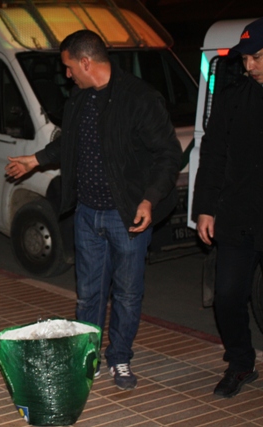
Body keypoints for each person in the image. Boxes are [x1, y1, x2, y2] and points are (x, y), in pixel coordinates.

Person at [5, 30, 181, 391]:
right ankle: (87, 358)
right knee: (88, 293)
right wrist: (34, 160)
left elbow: (168, 155)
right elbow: (68, 145)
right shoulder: (79, 100)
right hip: (87, 213)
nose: (67, 75)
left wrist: (149, 199)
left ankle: (120, 358)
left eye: (69, 67)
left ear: (86, 62)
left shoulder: (140, 98)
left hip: (127, 214)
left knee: (128, 293)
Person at [192, 18, 263, 399]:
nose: (249, 66)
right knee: (228, 295)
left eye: (257, 58)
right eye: (246, 58)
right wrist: (205, 208)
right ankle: (240, 363)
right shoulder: (234, 93)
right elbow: (213, 153)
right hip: (237, 216)